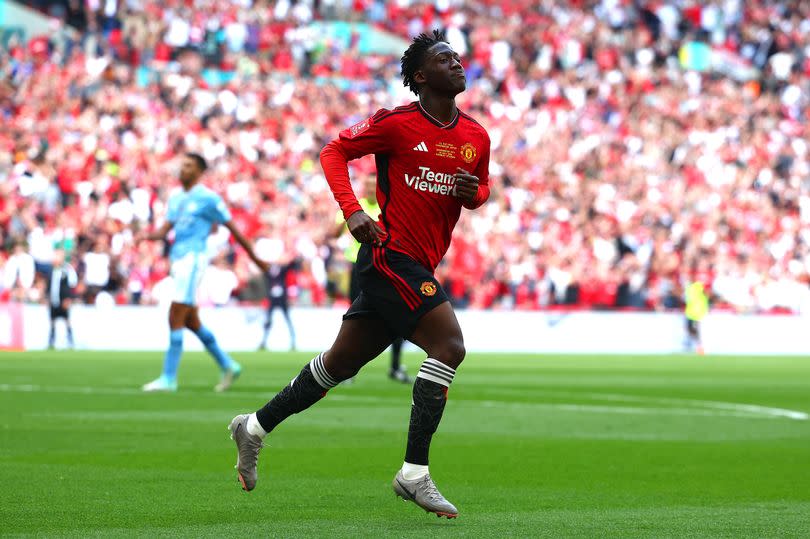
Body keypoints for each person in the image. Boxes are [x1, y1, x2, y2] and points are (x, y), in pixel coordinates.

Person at [228, 30, 490, 519]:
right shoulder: (396, 124)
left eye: (457, 56)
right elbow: (333, 151)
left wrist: (472, 192)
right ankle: (414, 474)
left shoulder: (475, 136)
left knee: (337, 366)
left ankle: (254, 427)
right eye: (444, 58)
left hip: (418, 263)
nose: (457, 62)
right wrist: (352, 211)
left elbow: (480, 193)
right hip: (390, 255)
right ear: (420, 76)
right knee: (450, 346)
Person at [139, 153, 269, 392]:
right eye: (182, 164)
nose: (183, 168)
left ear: (199, 171)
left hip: (194, 259)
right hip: (177, 260)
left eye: (188, 165)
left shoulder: (208, 199)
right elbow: (165, 230)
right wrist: (144, 235)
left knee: (175, 312)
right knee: (190, 320)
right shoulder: (176, 197)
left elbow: (234, 230)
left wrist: (256, 259)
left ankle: (169, 378)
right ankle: (228, 364)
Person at [333, 175, 410, 383]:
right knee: (354, 317)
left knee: (397, 316)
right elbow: (333, 233)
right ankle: (344, 367)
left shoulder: (388, 207)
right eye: (366, 185)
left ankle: (394, 366)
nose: (368, 189)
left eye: (372, 185)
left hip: (385, 267)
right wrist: (346, 220)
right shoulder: (357, 208)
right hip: (360, 268)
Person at [257, 253, 298, 351]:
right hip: (272, 298)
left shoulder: (283, 269)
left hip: (282, 298)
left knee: (287, 319)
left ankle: (293, 341)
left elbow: (292, 265)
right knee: (268, 320)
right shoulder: (269, 270)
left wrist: (293, 256)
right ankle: (263, 341)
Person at [47, 249, 77, 349]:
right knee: (52, 321)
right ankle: (51, 341)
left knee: (66, 320)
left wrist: (68, 298)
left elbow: (71, 285)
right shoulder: (51, 270)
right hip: (53, 299)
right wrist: (47, 297)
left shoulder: (67, 269)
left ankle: (70, 341)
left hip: (64, 300)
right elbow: (49, 286)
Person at [684, 280, 709, 355]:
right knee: (690, 329)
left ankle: (700, 347)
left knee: (697, 331)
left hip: (698, 313)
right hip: (690, 313)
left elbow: (706, 293)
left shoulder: (698, 286)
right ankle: (697, 345)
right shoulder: (689, 287)